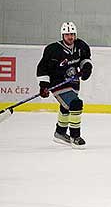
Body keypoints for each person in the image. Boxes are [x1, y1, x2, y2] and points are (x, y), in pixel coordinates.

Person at [36, 21, 93, 149]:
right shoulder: (53, 50)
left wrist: (86, 68)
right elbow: (43, 68)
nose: (70, 37)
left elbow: (85, 59)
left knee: (66, 106)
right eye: (67, 34)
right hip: (57, 83)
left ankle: (60, 133)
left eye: (72, 34)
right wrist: (44, 85)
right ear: (62, 35)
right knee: (75, 104)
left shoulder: (80, 46)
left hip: (73, 82)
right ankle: (75, 136)